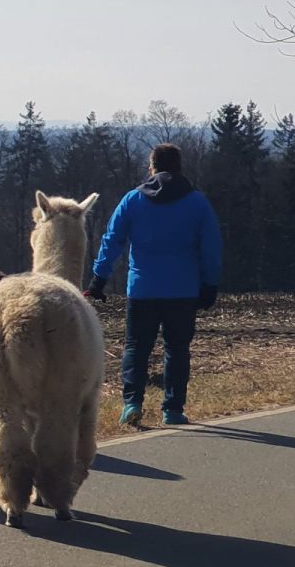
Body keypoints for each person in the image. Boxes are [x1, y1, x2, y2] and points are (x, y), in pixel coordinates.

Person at [85, 142, 223, 427]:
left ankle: (131, 403)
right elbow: (211, 246)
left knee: (136, 347)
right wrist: (210, 283)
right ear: (179, 167)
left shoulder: (133, 200)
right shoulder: (197, 202)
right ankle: (172, 409)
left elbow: (112, 240)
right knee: (177, 348)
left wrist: (99, 279)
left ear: (152, 168)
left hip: (143, 289)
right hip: (183, 290)